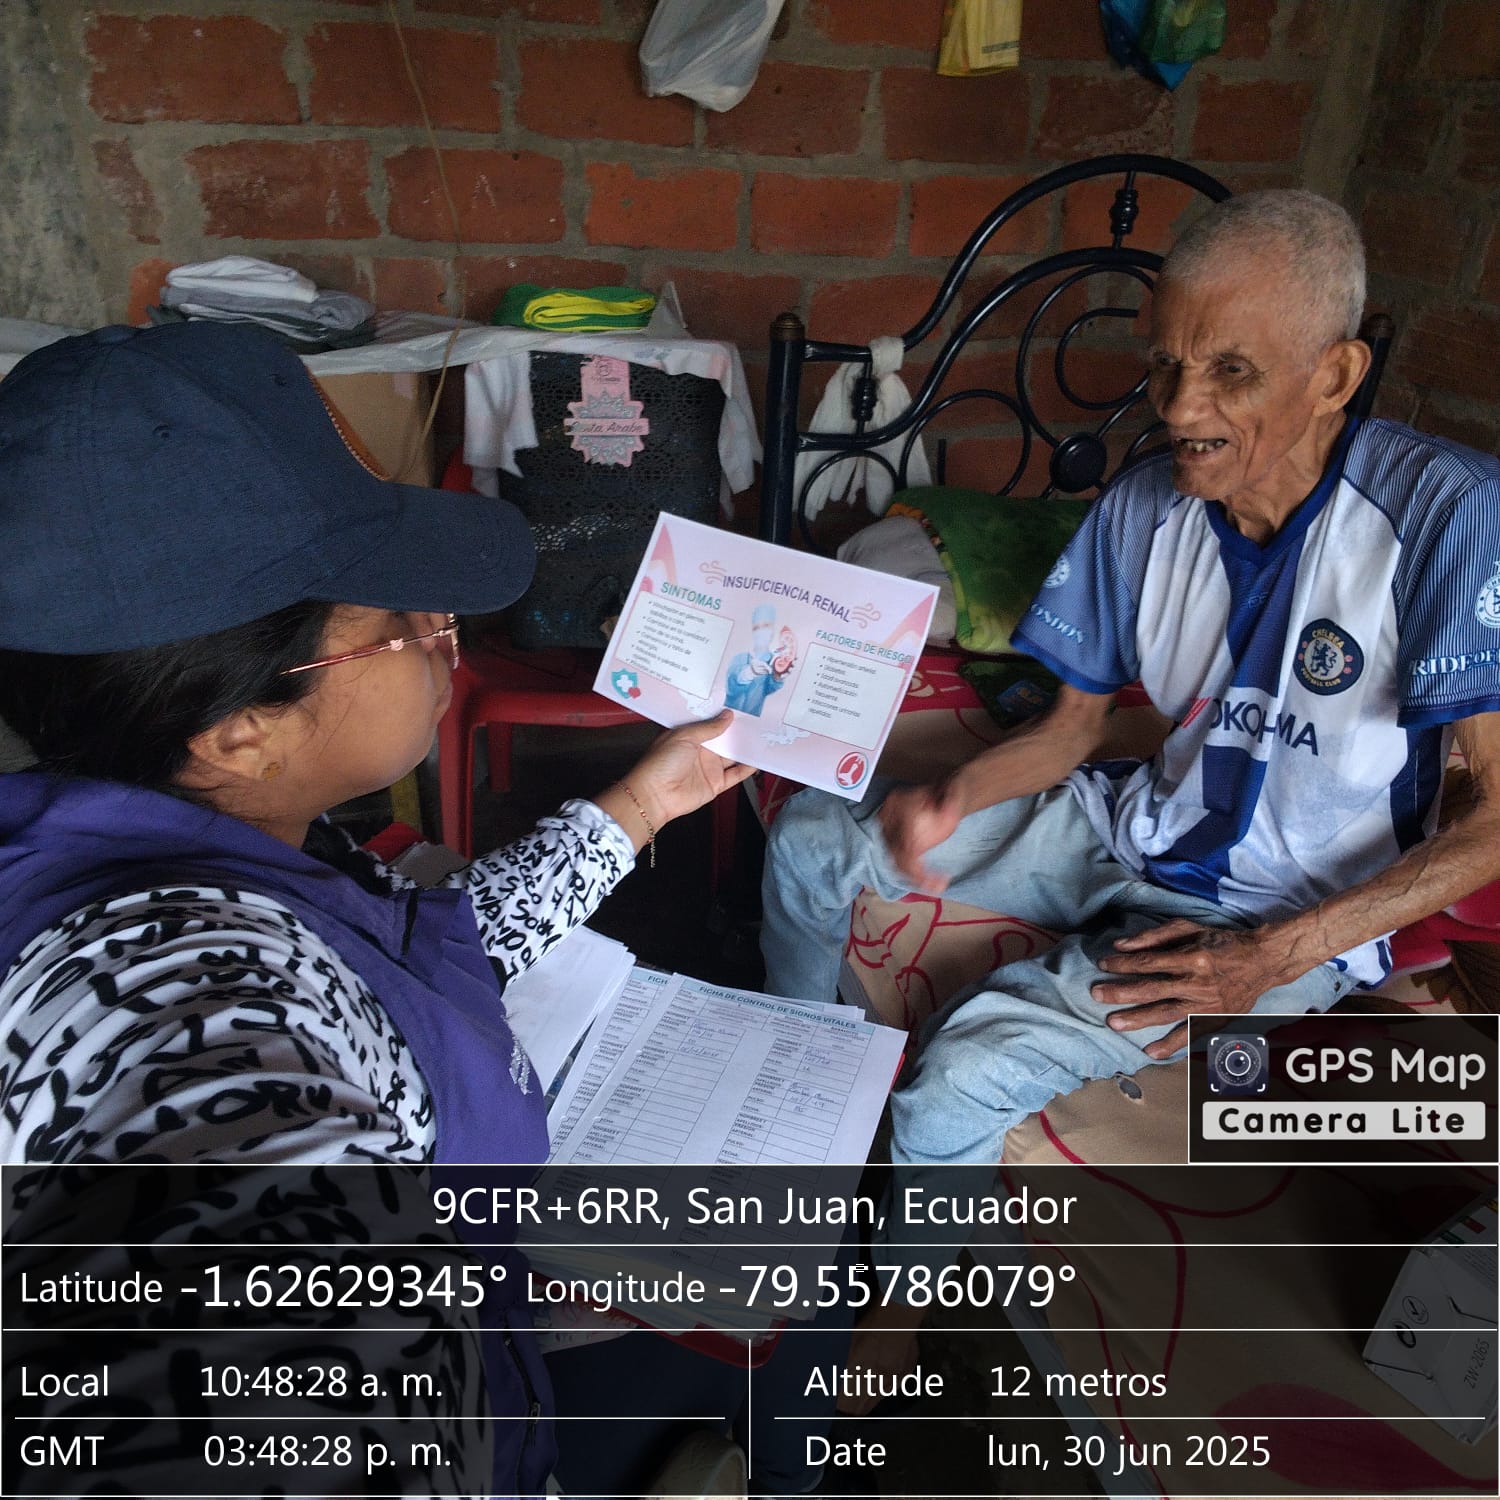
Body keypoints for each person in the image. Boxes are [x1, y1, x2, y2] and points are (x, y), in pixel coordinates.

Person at [0, 320, 822, 1496]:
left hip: (496, 1333)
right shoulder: (181, 1000)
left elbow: (415, 953)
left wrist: (642, 804)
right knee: (805, 1305)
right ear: (239, 729)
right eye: (400, 622)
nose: (445, 636)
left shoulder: (221, 832)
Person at [760, 189, 1500, 1393]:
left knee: (963, 1071)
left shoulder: (1451, 515)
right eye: (1165, 366)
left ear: (1335, 375)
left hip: (1280, 912)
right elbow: (1073, 728)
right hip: (1132, 821)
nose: (1181, 408)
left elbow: (1495, 823)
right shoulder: (1148, 502)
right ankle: (793, 1112)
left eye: (1230, 371)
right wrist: (954, 795)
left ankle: (889, 1329)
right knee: (808, 839)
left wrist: (1269, 960)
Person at [725, 602, 795, 715]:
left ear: (772, 630)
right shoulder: (739, 658)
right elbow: (731, 686)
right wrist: (749, 672)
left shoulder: (772, 661)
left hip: (751, 718)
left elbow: (771, 688)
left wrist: (778, 676)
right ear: (752, 631)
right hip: (725, 713)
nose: (761, 631)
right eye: (757, 627)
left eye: (766, 626)